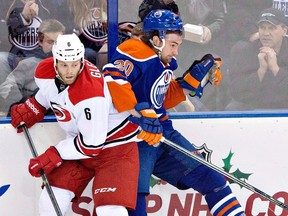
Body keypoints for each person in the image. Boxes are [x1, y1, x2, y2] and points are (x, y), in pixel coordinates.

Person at [103, 9, 245, 215]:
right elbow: (111, 78)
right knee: (135, 200)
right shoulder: (134, 50)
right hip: (134, 138)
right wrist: (139, 112)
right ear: (155, 39)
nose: (176, 51)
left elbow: (158, 98)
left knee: (212, 179)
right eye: (173, 45)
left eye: (178, 45)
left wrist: (188, 85)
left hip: (162, 134)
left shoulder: (161, 60)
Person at [9, 33, 146, 216]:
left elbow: (92, 145)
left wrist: (54, 154)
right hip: (80, 145)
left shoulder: (90, 95)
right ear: (55, 61)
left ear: (81, 61)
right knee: (52, 196)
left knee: (110, 210)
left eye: (74, 64)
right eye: (64, 65)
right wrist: (33, 108)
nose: (70, 71)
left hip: (115, 151)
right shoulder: (48, 71)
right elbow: (50, 91)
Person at [225, 7, 288, 110]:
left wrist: (275, 69)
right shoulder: (245, 51)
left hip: (284, 108)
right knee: (233, 108)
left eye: (272, 28)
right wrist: (261, 71)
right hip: (256, 106)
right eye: (262, 27)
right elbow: (236, 92)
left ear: (284, 30)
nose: (266, 33)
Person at [0, 19, 65, 115]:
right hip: (36, 121)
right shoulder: (28, 64)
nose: (54, 46)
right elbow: (8, 88)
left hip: (65, 120)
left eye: (58, 42)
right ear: (40, 42)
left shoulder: (74, 65)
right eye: (50, 42)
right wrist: (23, 108)